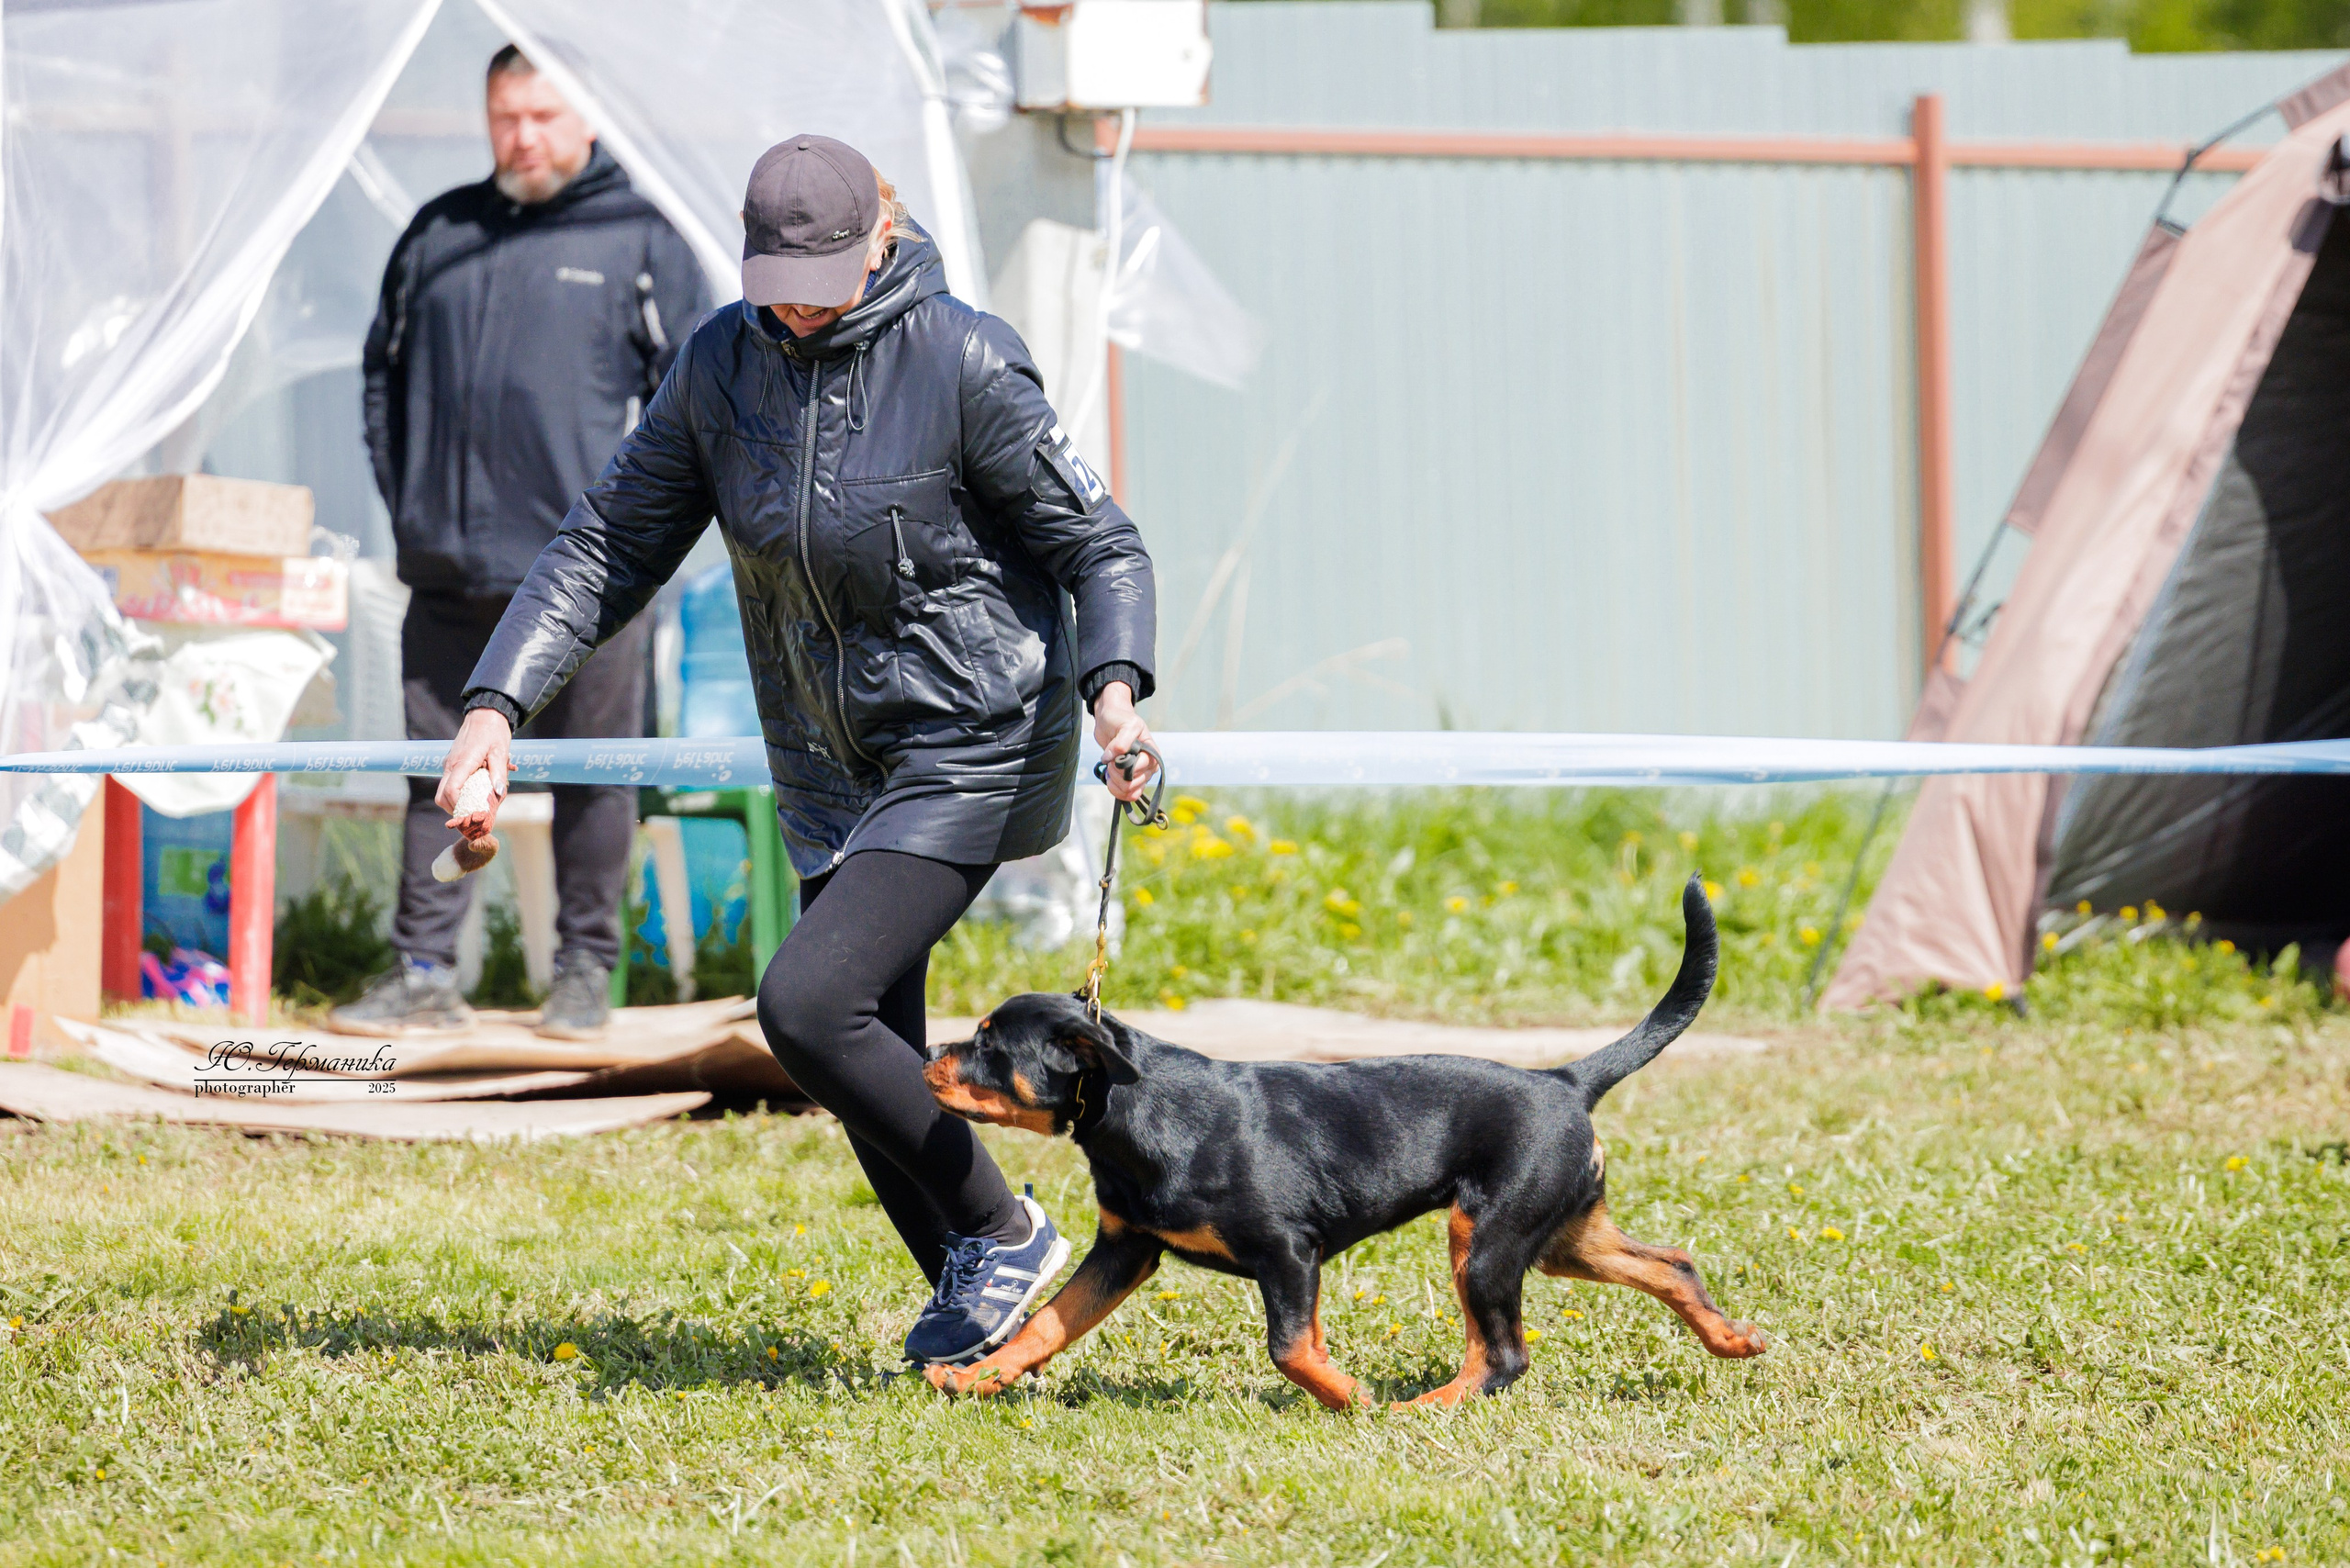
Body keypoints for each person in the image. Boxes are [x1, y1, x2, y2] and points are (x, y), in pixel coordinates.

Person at [430, 135, 1159, 1370]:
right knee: (871, 1043)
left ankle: (1005, 1230)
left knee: (808, 1005)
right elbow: (605, 544)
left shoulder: (965, 359)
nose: (798, 305)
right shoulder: (721, 364)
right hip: (826, 758)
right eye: (777, 280)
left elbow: (1100, 545)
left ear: (881, 238)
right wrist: (497, 705)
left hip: (968, 736)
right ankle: (979, 1320)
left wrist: (1116, 692)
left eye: (822, 278)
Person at [338, 45, 709, 1040]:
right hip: (448, 572)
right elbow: (379, 379)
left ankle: (583, 975)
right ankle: (423, 971)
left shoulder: (641, 236)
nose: (523, 136)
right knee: (434, 771)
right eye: (506, 115)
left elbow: (694, 403)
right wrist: (412, 511)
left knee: (595, 774)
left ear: (587, 119)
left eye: (543, 116)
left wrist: (634, 541)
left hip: (589, 583)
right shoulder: (439, 232)